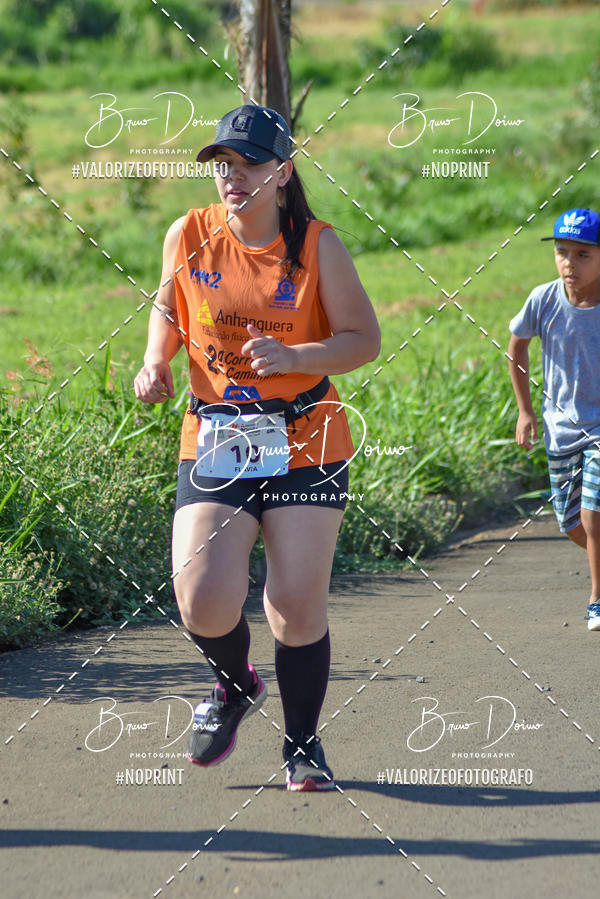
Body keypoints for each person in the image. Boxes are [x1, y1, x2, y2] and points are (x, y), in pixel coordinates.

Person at [133, 104, 380, 790]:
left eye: (248, 164)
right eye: (223, 164)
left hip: (307, 435)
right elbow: (167, 306)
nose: (232, 177)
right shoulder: (187, 233)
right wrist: (155, 360)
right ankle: (235, 683)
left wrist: (296, 352)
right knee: (202, 597)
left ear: (283, 172)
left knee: (293, 602)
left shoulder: (318, 245)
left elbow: (364, 339)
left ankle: (303, 743)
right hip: (220, 431)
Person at [508, 207, 600, 632]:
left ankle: (596, 600)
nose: (570, 263)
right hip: (560, 427)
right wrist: (526, 411)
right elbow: (517, 348)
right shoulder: (543, 299)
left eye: (584, 255)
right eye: (563, 252)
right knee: (570, 525)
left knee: (591, 516)